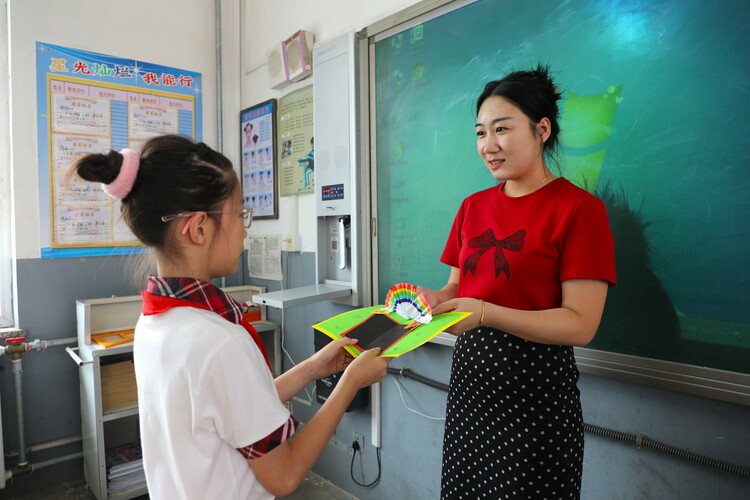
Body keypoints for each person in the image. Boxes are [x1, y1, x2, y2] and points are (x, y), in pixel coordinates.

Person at [68, 134, 390, 499]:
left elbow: (230, 408)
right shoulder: (220, 341)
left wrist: (314, 367)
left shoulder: (154, 323)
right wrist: (350, 384)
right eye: (239, 215)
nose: (244, 229)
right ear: (200, 228)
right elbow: (283, 475)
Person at [413, 65, 616, 499]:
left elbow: (581, 323)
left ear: (542, 129)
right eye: (480, 133)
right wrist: (435, 298)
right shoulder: (472, 207)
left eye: (501, 129)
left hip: (536, 403)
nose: (488, 146)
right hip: (470, 393)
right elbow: (457, 288)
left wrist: (485, 314)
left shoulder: (580, 211)